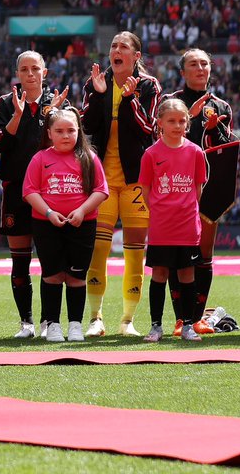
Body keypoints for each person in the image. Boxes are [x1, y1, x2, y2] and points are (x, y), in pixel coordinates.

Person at [80, 31, 161, 337]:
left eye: (123, 47)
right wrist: (100, 94)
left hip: (135, 182)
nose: (116, 50)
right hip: (102, 181)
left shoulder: (148, 86)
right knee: (97, 250)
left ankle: (128, 321)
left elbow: (147, 129)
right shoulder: (96, 82)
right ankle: (95, 318)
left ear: (136, 57)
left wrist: (128, 99)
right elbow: (85, 128)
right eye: (113, 45)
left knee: (135, 253)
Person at [0, 51, 69, 338]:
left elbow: (67, 144)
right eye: (24, 69)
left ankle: (51, 321)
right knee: (19, 260)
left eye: (35, 68)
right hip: (15, 192)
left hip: (52, 194)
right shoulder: (3, 104)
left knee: (51, 262)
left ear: (45, 72)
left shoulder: (58, 103)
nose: (30, 74)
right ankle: (26, 323)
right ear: (17, 73)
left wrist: (54, 116)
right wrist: (17, 116)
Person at [162, 48, 235, 333]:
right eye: (193, 64)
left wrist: (216, 129)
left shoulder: (222, 106)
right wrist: (190, 121)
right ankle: (181, 319)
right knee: (176, 256)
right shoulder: (170, 103)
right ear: (183, 72)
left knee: (204, 255)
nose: (200, 68)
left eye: (205, 63)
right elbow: (163, 142)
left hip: (209, 188)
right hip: (176, 188)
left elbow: (225, 148)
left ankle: (198, 317)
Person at [22, 107, 109, 343]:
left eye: (71, 130)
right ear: (49, 133)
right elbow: (29, 191)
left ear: (79, 131)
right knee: (52, 275)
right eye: (59, 131)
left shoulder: (89, 158)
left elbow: (101, 190)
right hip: (46, 225)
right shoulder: (40, 158)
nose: (65, 135)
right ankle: (52, 325)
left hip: (83, 225)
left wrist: (81, 210)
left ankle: (75, 326)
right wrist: (49, 213)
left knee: (76, 276)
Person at [138, 99, 209, 343]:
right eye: (171, 121)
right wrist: (161, 210)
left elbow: (197, 189)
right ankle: (156, 326)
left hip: (187, 226)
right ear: (160, 123)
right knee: (159, 274)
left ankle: (187, 325)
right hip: (161, 226)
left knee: (187, 274)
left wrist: (185, 208)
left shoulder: (195, 152)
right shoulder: (151, 154)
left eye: (182, 121)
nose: (177, 125)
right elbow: (146, 191)